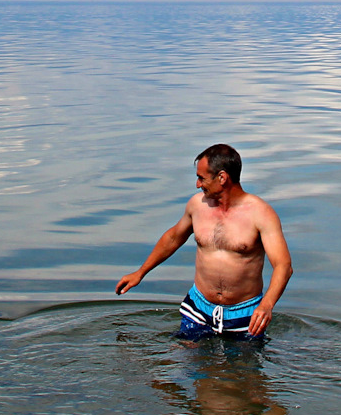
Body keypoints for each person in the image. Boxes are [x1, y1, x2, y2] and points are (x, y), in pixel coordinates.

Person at [115, 143, 293, 339]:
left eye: (201, 178)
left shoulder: (261, 214)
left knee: (244, 370)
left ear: (222, 178)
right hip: (198, 310)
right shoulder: (197, 206)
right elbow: (174, 237)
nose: (198, 184)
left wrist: (267, 305)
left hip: (246, 315)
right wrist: (140, 272)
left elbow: (283, 265)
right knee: (189, 366)